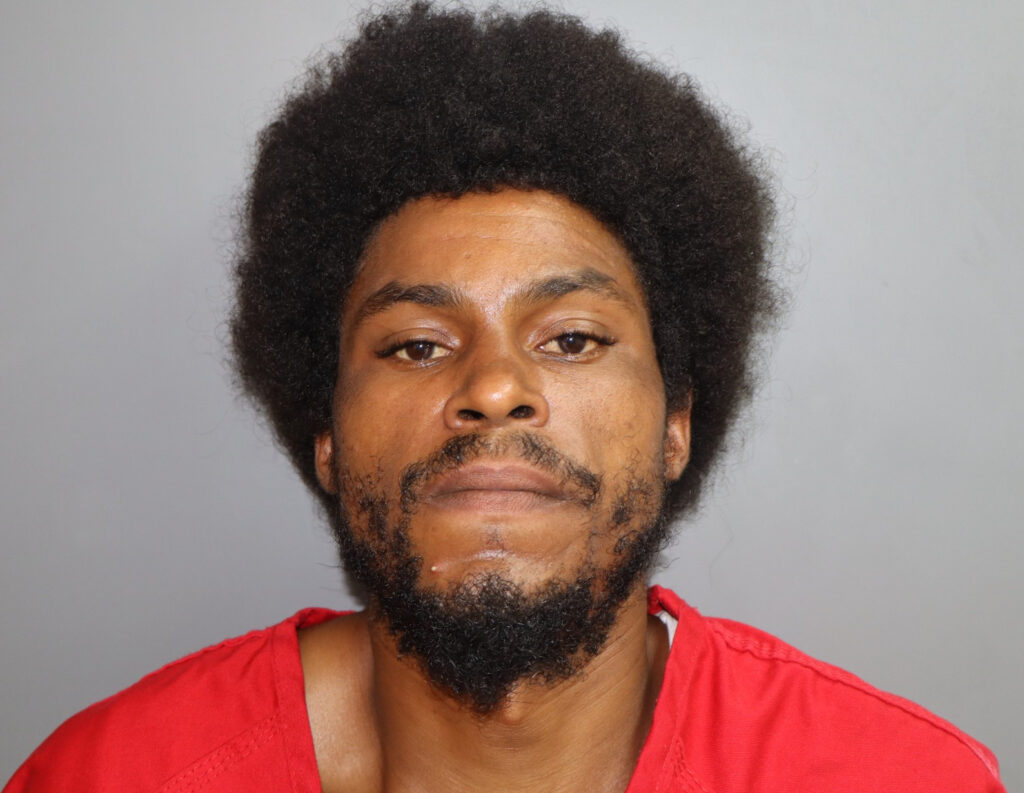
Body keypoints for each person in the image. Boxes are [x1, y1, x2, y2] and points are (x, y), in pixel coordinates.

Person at [4, 3, 1006, 791]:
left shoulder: (902, 779)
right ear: (325, 434)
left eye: (571, 339)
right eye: (415, 344)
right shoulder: (110, 776)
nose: (492, 388)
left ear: (676, 422)